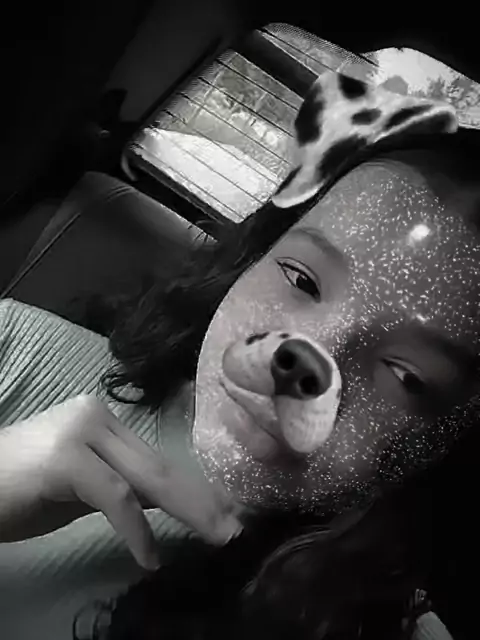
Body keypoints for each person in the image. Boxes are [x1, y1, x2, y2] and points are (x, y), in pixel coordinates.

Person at [0, 69, 478, 639]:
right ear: (255, 256)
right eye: (300, 279)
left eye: (407, 374)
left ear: (451, 440)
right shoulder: (15, 345)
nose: (305, 357)